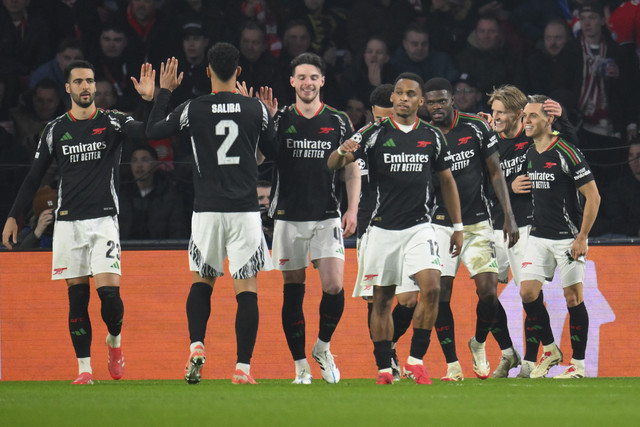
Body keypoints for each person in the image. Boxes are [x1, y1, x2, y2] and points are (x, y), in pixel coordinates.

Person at [2, 59, 156, 385]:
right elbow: (33, 178)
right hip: (68, 224)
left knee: (110, 298)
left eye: (90, 81)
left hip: (103, 221)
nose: (86, 87)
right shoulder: (56, 129)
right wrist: (14, 216)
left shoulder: (112, 122)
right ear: (68, 88)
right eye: (79, 82)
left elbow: (145, 134)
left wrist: (147, 101)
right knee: (77, 300)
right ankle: (84, 369)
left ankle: (114, 342)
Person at [145, 44, 278, 385]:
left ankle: (196, 345)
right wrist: (267, 120)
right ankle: (242, 369)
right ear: (239, 71)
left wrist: (163, 93)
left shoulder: (193, 108)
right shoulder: (255, 109)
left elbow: (153, 131)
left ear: (207, 71)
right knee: (246, 289)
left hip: (206, 211)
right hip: (245, 212)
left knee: (202, 282)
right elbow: (275, 152)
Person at [328, 72, 463, 385]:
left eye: (410, 94)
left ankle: (416, 359)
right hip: (381, 230)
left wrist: (457, 226)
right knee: (382, 300)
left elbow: (447, 181)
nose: (404, 98)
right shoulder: (373, 132)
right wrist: (341, 151)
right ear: (392, 98)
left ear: (420, 101)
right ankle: (384, 368)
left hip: (420, 228)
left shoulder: (432, 136)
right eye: (399, 93)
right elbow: (334, 164)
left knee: (432, 287)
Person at [259, 52, 359, 384]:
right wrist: (266, 123)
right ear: (292, 82)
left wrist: (353, 209)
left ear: (322, 81)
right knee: (293, 289)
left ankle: (322, 347)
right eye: (301, 77)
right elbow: (260, 157)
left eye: (313, 77)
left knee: (333, 286)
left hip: (326, 215)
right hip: (288, 216)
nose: (307, 83)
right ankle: (300, 365)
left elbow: (352, 167)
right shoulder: (280, 116)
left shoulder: (339, 119)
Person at [423, 77, 520, 381]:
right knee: (441, 294)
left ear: (452, 99)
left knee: (489, 293)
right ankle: (452, 365)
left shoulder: (477, 127)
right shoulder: (423, 135)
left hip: (479, 222)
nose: (436, 107)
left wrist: (508, 215)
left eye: (441, 100)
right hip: (440, 224)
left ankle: (478, 343)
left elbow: (495, 172)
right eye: (431, 102)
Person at [484, 84, 577, 377]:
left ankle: (531, 359)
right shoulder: (490, 142)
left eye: (501, 112)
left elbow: (570, 152)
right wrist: (507, 189)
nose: (495, 117)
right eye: (493, 111)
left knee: (529, 294)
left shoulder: (531, 138)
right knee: (486, 292)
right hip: (494, 225)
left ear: (518, 114)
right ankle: (508, 352)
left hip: (526, 225)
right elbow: (481, 184)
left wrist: (562, 120)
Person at [517, 94, 600, 379]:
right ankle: (551, 349)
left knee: (573, 298)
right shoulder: (528, 152)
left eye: (533, 116)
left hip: (568, 237)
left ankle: (577, 365)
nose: (526, 121)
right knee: (527, 293)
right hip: (538, 236)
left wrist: (582, 237)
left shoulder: (567, 151)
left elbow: (594, 197)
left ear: (548, 119)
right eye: (525, 116)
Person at [119, 144, 188, 240]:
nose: (139, 165)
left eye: (144, 160)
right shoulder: (121, 194)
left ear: (155, 165)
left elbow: (177, 230)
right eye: (135, 160)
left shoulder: (169, 195)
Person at [390, 23, 458, 84]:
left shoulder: (443, 61)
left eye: (424, 44)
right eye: (415, 44)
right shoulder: (393, 65)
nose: (420, 48)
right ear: (405, 44)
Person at [29, 38, 85, 107]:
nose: (71, 63)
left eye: (77, 59)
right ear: (58, 57)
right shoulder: (42, 75)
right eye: (67, 58)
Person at [605, 140, 640, 237]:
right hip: (629, 239)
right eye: (631, 155)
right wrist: (636, 231)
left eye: (639, 155)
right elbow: (617, 222)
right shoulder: (618, 187)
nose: (635, 161)